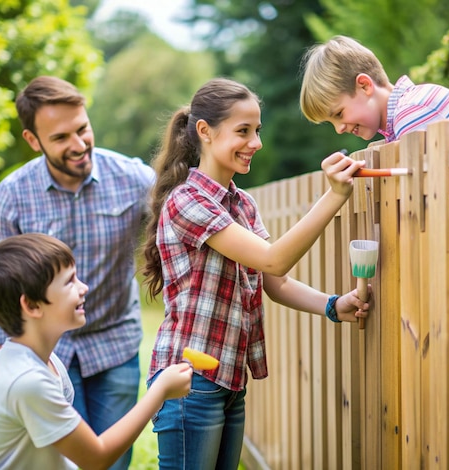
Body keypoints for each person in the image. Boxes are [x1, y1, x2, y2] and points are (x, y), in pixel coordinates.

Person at [140, 77, 372, 469]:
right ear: (205, 132)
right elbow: (273, 260)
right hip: (189, 381)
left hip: (229, 381)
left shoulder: (242, 204)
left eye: (257, 131)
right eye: (243, 131)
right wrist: (334, 195)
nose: (256, 143)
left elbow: (274, 282)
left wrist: (333, 305)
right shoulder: (187, 201)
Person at [0, 75, 155, 469]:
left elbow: (185, 212)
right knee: (62, 463)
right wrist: (4, 364)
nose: (78, 145)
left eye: (83, 129)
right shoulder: (11, 196)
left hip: (115, 343)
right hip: (46, 352)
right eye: (60, 138)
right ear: (32, 140)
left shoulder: (133, 178)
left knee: (111, 461)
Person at [0, 233, 192, 469]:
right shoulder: (27, 380)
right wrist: (160, 391)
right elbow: (96, 458)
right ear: (31, 305)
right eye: (70, 281)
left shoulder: (44, 360)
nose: (84, 287)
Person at [299, 35, 449, 143]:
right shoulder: (404, 115)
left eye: (338, 114)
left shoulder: (410, 113)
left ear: (365, 85)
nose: (339, 129)